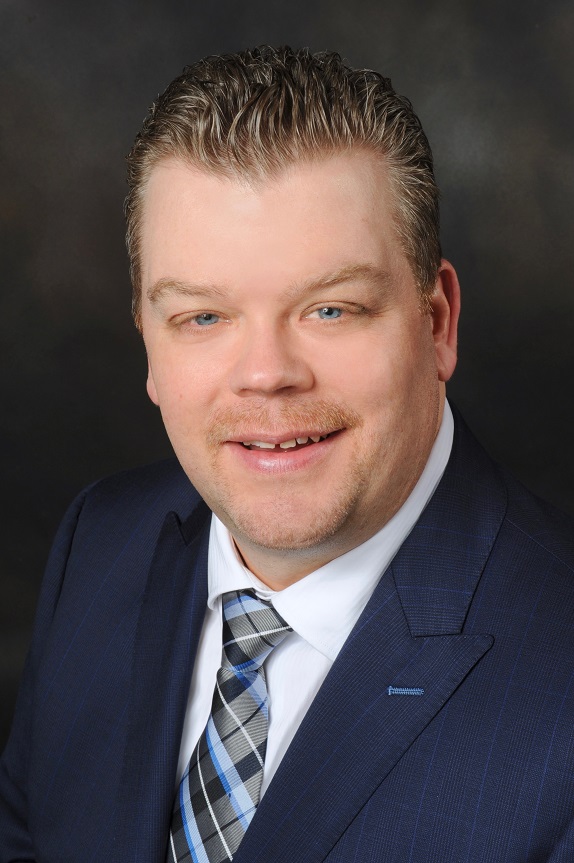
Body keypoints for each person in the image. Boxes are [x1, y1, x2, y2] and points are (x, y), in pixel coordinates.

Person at [1, 45, 574, 863]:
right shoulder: (98, 543)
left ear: (438, 322)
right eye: (203, 317)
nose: (266, 374)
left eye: (330, 309)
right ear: (148, 343)